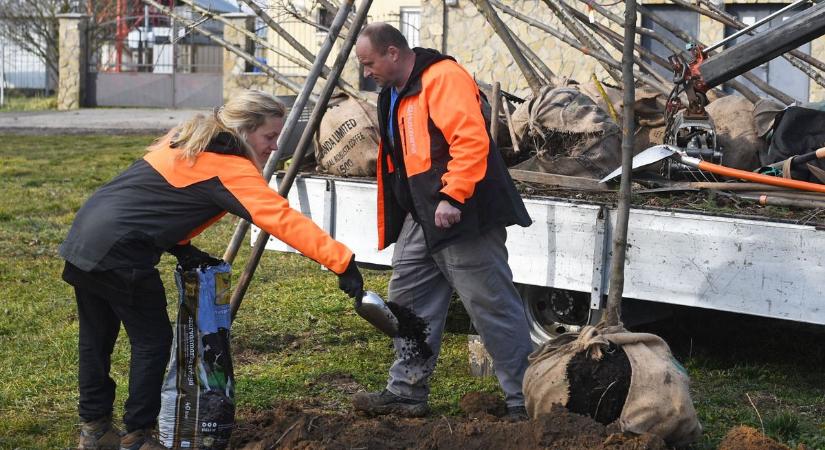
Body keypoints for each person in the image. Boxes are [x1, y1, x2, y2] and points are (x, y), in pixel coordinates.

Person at [60, 90, 364, 450]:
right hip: (123, 252)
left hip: (84, 239)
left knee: (96, 339)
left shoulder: (185, 141)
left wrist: (183, 247)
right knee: (152, 342)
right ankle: (137, 436)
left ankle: (94, 430)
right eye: (269, 137)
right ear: (245, 130)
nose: (274, 146)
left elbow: (153, 199)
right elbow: (280, 218)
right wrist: (341, 261)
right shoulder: (228, 165)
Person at [351, 23, 534, 421]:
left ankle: (524, 399)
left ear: (393, 53)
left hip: (461, 213)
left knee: (491, 305)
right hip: (423, 216)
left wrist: (453, 195)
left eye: (369, 63)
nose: (367, 72)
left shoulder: (443, 78)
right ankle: (406, 391)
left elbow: (471, 140)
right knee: (408, 300)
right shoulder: (393, 93)